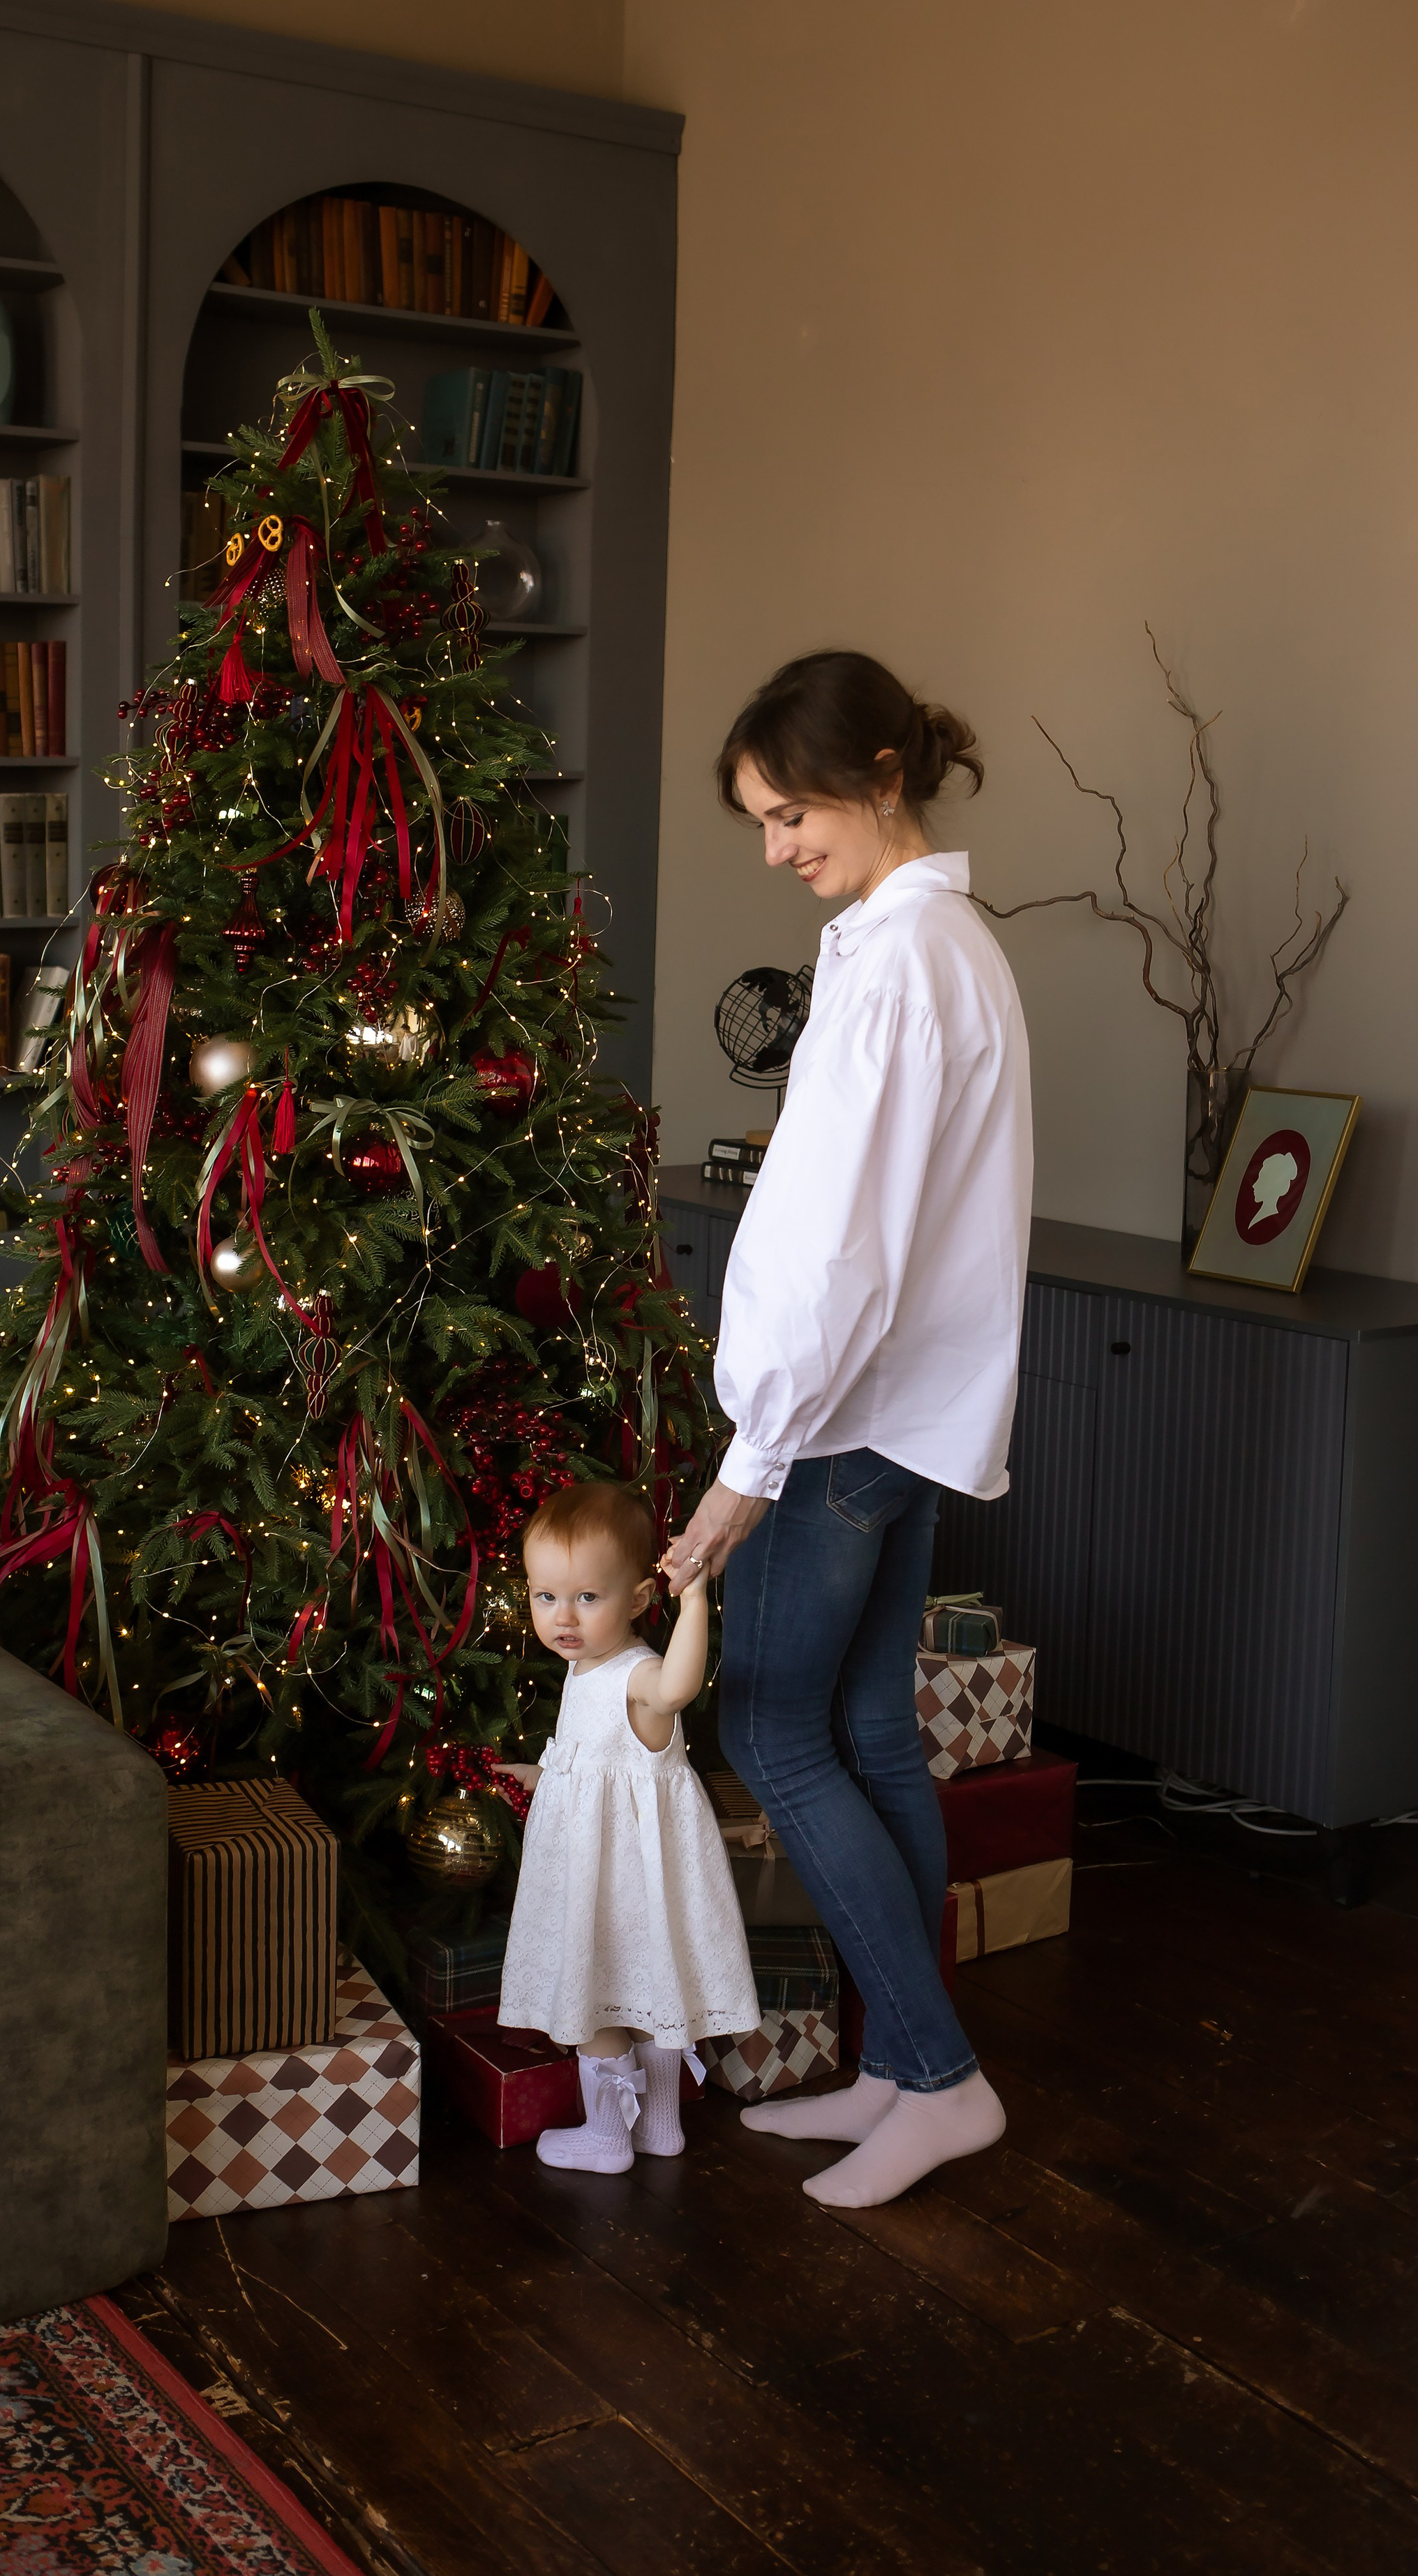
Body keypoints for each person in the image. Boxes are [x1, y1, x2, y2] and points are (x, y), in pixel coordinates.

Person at [664, 648, 1032, 2212]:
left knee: (766, 1731)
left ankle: (938, 2080)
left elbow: (838, 1248)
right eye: (757, 819)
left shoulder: (893, 965)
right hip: (904, 1417)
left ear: (881, 774)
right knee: (872, 1737)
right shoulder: (951, 941)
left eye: (791, 808)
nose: (774, 846)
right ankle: (894, 2067)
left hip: (837, 1425)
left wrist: (750, 1463)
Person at [497, 1481, 759, 2173]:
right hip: (627, 1875)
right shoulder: (586, 1668)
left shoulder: (638, 1674)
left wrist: (696, 1598)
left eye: (588, 1597)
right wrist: (544, 1773)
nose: (563, 1617)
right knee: (653, 1997)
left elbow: (677, 1690)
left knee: (599, 1999)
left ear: (640, 1600)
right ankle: (661, 2126)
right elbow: (597, 1762)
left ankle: (607, 2137)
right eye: (544, 1596)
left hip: (614, 1884)